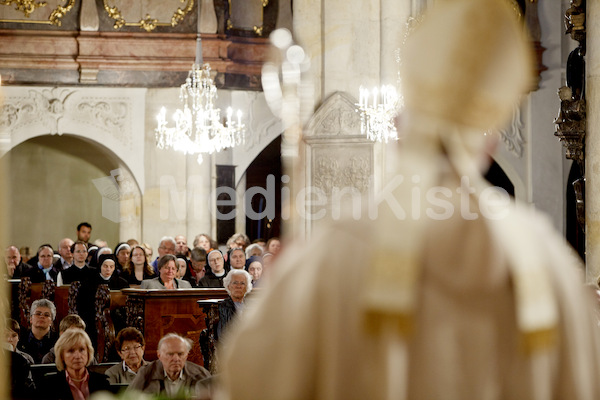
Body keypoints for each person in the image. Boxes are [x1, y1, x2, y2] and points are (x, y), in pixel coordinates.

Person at [215, 1, 600, 399]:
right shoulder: (548, 263)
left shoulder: (336, 251)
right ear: (491, 143)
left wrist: (281, 293)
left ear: (398, 130)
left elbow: (249, 378)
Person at [36, 328, 110, 399]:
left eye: (81, 350)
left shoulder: (102, 382)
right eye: (71, 351)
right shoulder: (49, 385)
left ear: (88, 352)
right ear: (62, 355)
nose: (77, 356)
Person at [128, 333, 210, 396]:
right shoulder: (146, 373)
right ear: (159, 355)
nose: (176, 359)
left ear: (186, 355)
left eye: (180, 354)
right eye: (170, 354)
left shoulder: (200, 375)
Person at [18, 298, 59, 363]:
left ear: (51, 321)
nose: (42, 316)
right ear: (31, 319)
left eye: (46, 315)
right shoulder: (19, 339)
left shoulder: (58, 341)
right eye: (38, 313)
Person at [218, 269, 253, 340]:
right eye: (235, 283)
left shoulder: (252, 306)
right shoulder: (223, 307)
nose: (238, 286)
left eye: (242, 283)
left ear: (247, 288)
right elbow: (222, 335)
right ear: (228, 286)